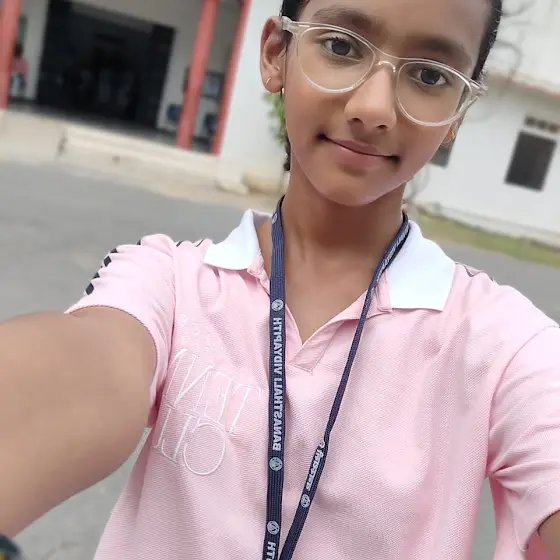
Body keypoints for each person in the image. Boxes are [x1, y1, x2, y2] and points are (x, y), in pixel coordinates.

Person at [0, 0, 559, 559]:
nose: (373, 108)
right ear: (275, 54)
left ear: (457, 113)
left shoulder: (507, 348)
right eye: (341, 46)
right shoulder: (166, 283)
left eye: (430, 76)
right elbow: (84, 366)